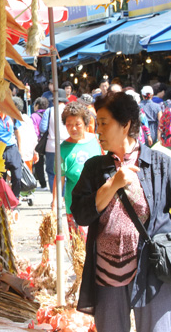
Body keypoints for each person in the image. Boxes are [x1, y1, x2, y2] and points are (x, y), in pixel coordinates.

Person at [71, 91, 171, 332]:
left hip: (153, 272)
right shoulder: (95, 168)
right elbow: (81, 213)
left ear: (125, 124)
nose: (97, 130)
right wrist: (112, 185)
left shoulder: (161, 164)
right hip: (106, 275)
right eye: (96, 123)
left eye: (103, 123)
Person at [51, 102, 102, 239]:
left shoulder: (99, 142)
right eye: (69, 124)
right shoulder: (62, 149)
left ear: (86, 124)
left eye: (77, 124)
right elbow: (59, 177)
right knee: (79, 250)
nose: (73, 128)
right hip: (75, 206)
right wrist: (55, 204)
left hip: (101, 202)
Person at [40, 89, 70, 194]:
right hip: (67, 145)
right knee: (65, 172)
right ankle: (63, 196)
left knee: (52, 172)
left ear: (54, 100)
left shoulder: (49, 111)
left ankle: (55, 197)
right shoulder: (69, 111)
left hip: (51, 146)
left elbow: (42, 128)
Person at [13, 97, 38, 172]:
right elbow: (34, 138)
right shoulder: (27, 119)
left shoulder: (10, 119)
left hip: (16, 155)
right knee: (27, 178)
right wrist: (34, 151)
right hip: (28, 154)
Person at [31, 97, 49, 189]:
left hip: (39, 142)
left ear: (37, 105)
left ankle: (43, 184)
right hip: (49, 140)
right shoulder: (49, 113)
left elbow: (34, 130)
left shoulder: (34, 116)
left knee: (39, 163)